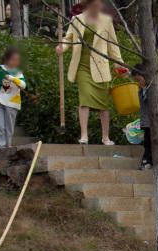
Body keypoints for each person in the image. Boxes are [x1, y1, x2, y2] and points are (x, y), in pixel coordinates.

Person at [56, 0, 125, 146]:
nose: (99, 5)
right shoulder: (77, 19)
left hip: (101, 67)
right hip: (82, 66)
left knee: (103, 105)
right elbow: (69, 39)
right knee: (85, 100)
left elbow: (113, 45)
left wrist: (119, 64)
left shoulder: (106, 21)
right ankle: (84, 135)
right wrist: (62, 47)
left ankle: (105, 137)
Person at [0, 48, 26, 149]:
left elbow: (23, 85)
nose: (16, 62)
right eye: (13, 59)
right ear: (7, 59)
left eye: (17, 60)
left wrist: (12, 78)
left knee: (9, 127)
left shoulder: (18, 72)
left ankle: (7, 146)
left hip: (12, 102)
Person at [132, 64, 158, 170]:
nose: (138, 83)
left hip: (156, 121)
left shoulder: (156, 89)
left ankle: (150, 160)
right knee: (147, 141)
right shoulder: (142, 90)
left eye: (139, 80)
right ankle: (148, 159)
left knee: (156, 141)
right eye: (136, 81)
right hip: (147, 121)